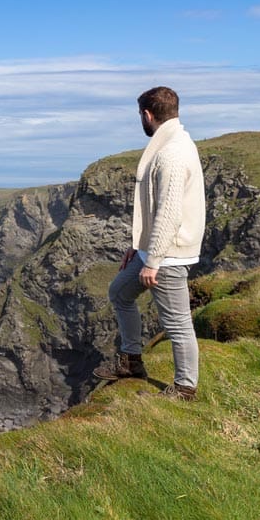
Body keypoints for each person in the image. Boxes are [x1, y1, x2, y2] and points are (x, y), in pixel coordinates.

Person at [93, 86, 206, 400]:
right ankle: (131, 361)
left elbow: (169, 213)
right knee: (119, 291)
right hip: (153, 251)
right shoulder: (173, 144)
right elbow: (158, 209)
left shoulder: (171, 154)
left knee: (178, 324)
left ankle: (185, 388)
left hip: (166, 257)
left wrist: (153, 260)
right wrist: (140, 247)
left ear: (147, 115)